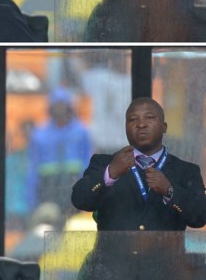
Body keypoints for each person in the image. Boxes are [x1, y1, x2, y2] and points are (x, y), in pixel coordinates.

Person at [71, 97, 206, 279]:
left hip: (165, 274)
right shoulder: (103, 163)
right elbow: (80, 200)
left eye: (149, 118)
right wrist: (110, 173)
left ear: (164, 127)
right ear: (126, 127)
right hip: (112, 273)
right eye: (133, 119)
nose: (141, 124)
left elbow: (199, 217)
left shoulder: (185, 171)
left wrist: (170, 191)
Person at [27, 88, 91, 220]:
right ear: (51, 108)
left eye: (63, 106)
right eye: (57, 106)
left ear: (69, 108)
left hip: (72, 183)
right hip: (48, 187)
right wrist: (31, 198)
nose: (60, 110)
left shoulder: (81, 132)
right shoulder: (40, 134)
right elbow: (33, 167)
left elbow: (87, 160)